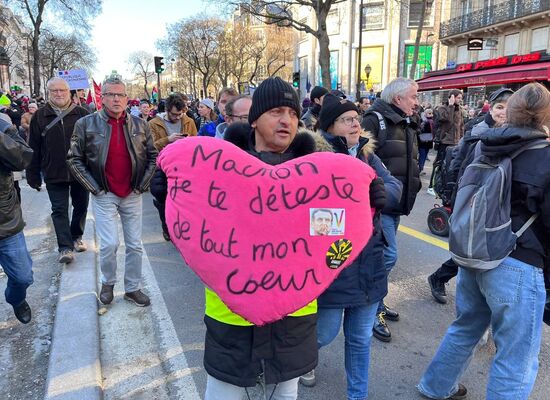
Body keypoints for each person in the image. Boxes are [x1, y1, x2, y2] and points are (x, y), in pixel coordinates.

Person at [418, 82, 550, 400]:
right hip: (519, 263)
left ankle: (435, 386)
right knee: (516, 357)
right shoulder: (544, 157)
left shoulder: (487, 142)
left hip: (475, 253)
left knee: (465, 327)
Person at [202, 77, 317, 400]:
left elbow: (331, 236)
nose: (287, 121)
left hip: (293, 312)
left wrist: (364, 207)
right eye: (277, 111)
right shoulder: (217, 167)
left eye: (293, 113)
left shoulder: (316, 173)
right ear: (254, 119)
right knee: (224, 393)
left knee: (285, 394)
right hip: (232, 312)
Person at [299, 94, 402, 398]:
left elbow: (393, 185)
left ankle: (358, 395)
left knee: (359, 339)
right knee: (325, 332)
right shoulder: (315, 158)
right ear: (331, 125)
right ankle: (298, 360)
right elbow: (315, 218)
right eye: (348, 119)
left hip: (369, 261)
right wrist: (355, 198)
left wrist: (380, 190)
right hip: (334, 264)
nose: (357, 123)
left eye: (357, 118)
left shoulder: (368, 155)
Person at [67, 77, 157, 307]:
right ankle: (107, 283)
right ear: (102, 97)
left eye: (120, 95)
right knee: (109, 244)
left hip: (132, 192)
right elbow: (74, 159)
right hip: (104, 192)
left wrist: (142, 185)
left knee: (135, 244)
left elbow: (153, 156)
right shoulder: (86, 124)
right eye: (111, 94)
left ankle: (133, 288)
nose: (116, 99)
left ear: (127, 98)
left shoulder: (140, 124)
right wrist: (94, 188)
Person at [428, 88, 514, 304]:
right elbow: (458, 162)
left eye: (508, 108)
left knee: (480, 247)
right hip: (471, 195)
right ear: (491, 108)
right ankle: (440, 278)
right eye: (499, 107)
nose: (503, 112)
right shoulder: (478, 130)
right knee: (472, 245)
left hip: (496, 197)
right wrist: (451, 194)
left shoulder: (514, 132)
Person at [361, 77, 422, 342]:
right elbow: (361, 161)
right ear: (398, 99)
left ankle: (377, 301)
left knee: (384, 257)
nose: (416, 102)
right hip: (380, 206)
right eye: (413, 97)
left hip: (397, 205)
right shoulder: (375, 120)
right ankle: (370, 308)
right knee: (387, 257)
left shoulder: (406, 122)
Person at [27, 77, 90, 264]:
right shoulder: (39, 116)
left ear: (69, 91)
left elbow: (92, 145)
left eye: (62, 90)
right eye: (54, 91)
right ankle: (65, 248)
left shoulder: (82, 113)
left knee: (81, 206)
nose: (59, 94)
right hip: (53, 171)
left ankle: (76, 236)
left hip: (80, 172)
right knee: (59, 209)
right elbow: (34, 146)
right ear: (48, 93)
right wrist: (33, 173)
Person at [149, 93, 197, 241]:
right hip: (162, 168)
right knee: (163, 197)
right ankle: (167, 228)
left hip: (185, 167)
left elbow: (197, 142)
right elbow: (150, 147)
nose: (178, 117)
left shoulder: (188, 121)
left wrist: (188, 142)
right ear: (167, 110)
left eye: (180, 114)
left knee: (184, 200)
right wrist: (168, 140)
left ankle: (182, 228)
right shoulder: (153, 124)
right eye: (175, 114)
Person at [0, 117, 34, 324]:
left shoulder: (3, 126)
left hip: (5, 221)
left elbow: (22, 159)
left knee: (23, 277)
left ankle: (16, 299)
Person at [427, 90, 464, 196]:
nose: (460, 100)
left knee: (450, 166)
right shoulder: (442, 108)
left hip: (455, 141)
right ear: (451, 97)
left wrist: (461, 139)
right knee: (439, 164)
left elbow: (461, 126)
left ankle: (443, 186)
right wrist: (451, 106)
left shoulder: (460, 110)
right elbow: (447, 120)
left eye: (461, 98)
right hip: (444, 141)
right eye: (458, 98)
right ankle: (431, 186)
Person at [418, 108, 434, 175]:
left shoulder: (431, 121)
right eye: (429, 113)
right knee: (422, 155)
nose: (431, 114)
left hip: (428, 141)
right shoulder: (423, 121)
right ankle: (420, 169)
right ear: (425, 114)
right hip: (423, 141)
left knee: (424, 155)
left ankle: (421, 168)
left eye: (431, 113)